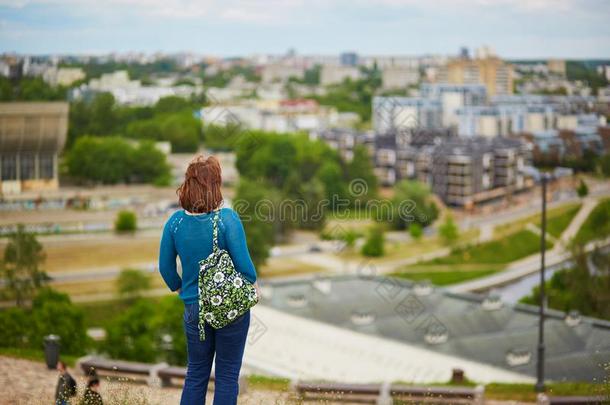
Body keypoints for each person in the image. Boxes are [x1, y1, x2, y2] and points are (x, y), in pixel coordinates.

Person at [159, 155, 258, 405]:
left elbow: (165, 269)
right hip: (230, 310)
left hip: (194, 310)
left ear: (188, 185)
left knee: (196, 374)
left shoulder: (174, 223)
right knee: (226, 376)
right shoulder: (228, 219)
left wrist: (182, 288)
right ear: (215, 184)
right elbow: (247, 271)